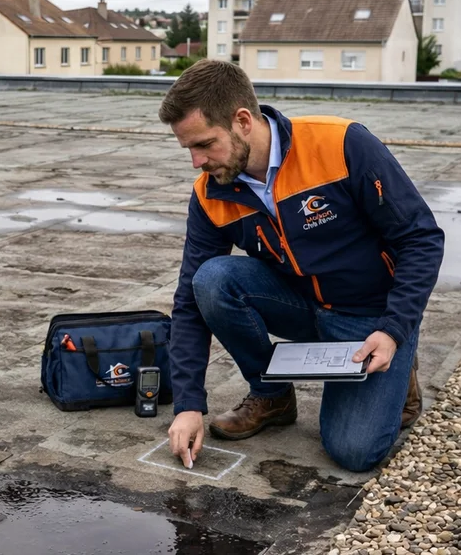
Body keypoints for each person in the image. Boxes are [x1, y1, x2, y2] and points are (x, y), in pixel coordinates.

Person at [160, 60, 444, 473]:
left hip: (367, 314)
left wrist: (394, 328)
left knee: (354, 451)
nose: (196, 160)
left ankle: (401, 364)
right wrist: (188, 406)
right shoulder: (210, 193)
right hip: (299, 303)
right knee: (212, 280)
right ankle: (271, 393)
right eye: (188, 148)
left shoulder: (341, 144)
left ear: (242, 121)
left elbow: (421, 238)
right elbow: (188, 301)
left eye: (204, 144)